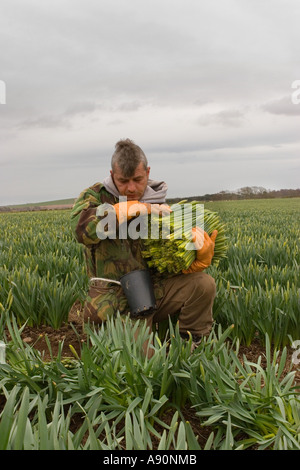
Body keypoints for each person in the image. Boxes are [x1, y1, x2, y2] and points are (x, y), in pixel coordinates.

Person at [70, 138, 217, 352]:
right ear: (112, 176)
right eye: (123, 181)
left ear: (147, 173)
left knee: (203, 284)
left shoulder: (158, 202)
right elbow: (81, 230)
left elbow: (166, 257)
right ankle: (117, 338)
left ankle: (192, 343)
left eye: (138, 179)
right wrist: (131, 209)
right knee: (144, 363)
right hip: (114, 300)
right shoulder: (96, 196)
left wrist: (193, 258)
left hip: (153, 291)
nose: (131, 188)